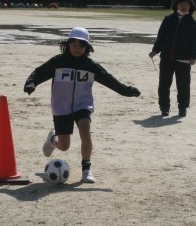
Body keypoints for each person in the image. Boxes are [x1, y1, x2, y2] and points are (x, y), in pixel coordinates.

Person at [23, 27, 140, 184]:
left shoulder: (91, 66)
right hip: (61, 107)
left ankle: (86, 169)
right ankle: (52, 139)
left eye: (81, 45)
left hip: (82, 105)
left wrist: (126, 91)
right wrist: (31, 83)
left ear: (87, 47)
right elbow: (39, 72)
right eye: (74, 44)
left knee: (85, 130)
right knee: (64, 146)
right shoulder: (58, 62)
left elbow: (109, 80)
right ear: (68, 44)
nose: (77, 48)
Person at [149, 0, 196, 117]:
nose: (183, 6)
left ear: (190, 6)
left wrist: (194, 57)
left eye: (186, 4)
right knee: (164, 84)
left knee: (183, 85)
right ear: (176, 5)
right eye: (181, 4)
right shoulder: (168, 19)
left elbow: (195, 42)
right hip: (166, 58)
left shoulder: (193, 22)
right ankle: (164, 107)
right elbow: (161, 37)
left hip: (184, 60)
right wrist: (155, 50)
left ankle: (182, 107)